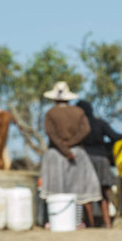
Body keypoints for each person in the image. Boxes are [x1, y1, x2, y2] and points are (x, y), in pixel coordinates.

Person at [40, 82, 102, 227]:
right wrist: (71, 146)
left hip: (55, 154)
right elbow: (85, 130)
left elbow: (51, 134)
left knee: (55, 188)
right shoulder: (78, 112)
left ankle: (53, 220)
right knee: (80, 189)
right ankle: (79, 221)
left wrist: (63, 148)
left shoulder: (50, 113)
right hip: (77, 153)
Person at [75, 100, 122, 228]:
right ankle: (107, 222)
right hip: (102, 160)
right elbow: (114, 136)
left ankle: (90, 223)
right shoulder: (100, 123)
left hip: (86, 160)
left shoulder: (80, 126)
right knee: (103, 192)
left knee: (87, 194)